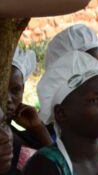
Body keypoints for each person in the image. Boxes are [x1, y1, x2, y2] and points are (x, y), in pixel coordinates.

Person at [2, 47, 52, 175]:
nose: (8, 99)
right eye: (1, 89)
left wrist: (38, 129)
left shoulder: (26, 138)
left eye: (15, 90)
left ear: (23, 89)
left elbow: (59, 166)